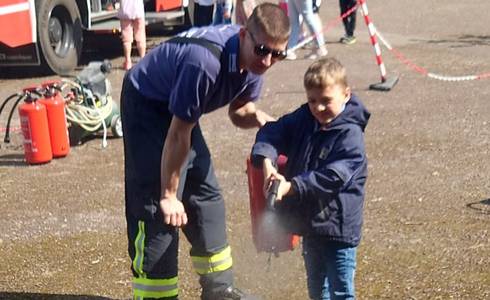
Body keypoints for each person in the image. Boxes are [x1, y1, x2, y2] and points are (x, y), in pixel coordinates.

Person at [120, 3, 290, 300]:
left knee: (205, 196)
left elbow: (239, 112)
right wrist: (169, 195)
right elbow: (177, 134)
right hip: (147, 104)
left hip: (181, 115)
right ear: (243, 35)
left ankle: (218, 289)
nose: (267, 60)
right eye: (262, 50)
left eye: (278, 54)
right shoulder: (205, 62)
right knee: (157, 209)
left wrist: (259, 118)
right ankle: (155, 295)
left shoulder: (254, 64)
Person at [250, 57, 370, 300]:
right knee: (316, 287)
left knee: (341, 291)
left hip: (339, 228)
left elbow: (332, 177)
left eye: (326, 101)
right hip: (310, 225)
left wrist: (292, 186)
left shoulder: (350, 135)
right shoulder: (306, 118)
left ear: (346, 94)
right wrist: (267, 164)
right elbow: (272, 131)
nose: (318, 108)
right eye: (312, 100)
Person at [118, 0, 146, 71]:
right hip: (138, 10)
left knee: (126, 39)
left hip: (125, 11)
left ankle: (128, 62)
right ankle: (143, 59)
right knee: (140, 37)